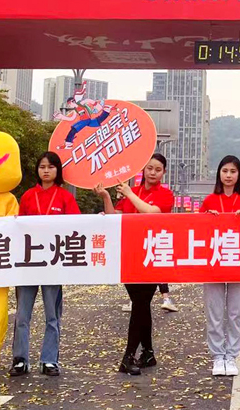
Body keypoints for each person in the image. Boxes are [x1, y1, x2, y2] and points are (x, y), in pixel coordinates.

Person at [95, 152, 175, 376]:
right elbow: (114, 216)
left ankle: (128, 356)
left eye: (157, 169)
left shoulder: (165, 194)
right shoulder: (132, 192)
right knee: (141, 305)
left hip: (151, 256)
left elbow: (153, 213)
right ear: (143, 170)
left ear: (163, 173)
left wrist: (129, 193)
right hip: (129, 255)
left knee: (140, 304)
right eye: (149, 168)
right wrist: (106, 197)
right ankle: (148, 353)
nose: (153, 173)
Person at [9, 152, 81, 378]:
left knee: (52, 316)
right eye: (42, 166)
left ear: (58, 170)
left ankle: (49, 360)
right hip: (28, 263)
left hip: (53, 263)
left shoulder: (65, 197)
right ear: (37, 170)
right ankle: (20, 359)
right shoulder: (28, 196)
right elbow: (16, 227)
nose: (46, 170)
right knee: (22, 315)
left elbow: (79, 225)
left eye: (50, 167)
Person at [200, 155, 240, 376]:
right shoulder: (209, 200)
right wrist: (207, 218)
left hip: (239, 264)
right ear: (219, 174)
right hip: (213, 263)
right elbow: (196, 230)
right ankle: (217, 356)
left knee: (235, 313)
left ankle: (231, 356)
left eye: (233, 171)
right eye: (225, 171)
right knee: (214, 312)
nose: (229, 175)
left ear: (239, 175)